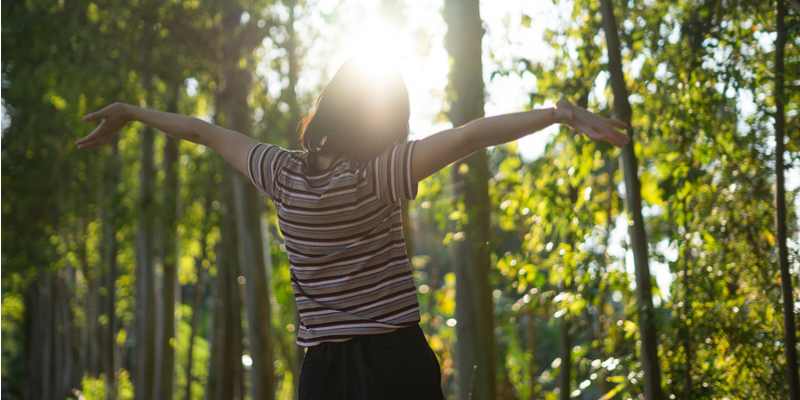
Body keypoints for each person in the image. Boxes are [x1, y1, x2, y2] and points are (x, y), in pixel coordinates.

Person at [76, 58, 629, 400]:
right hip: (395, 363)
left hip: (324, 374)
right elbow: (468, 136)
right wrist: (556, 115)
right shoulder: (379, 174)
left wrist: (132, 111)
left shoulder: (281, 173)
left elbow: (201, 129)